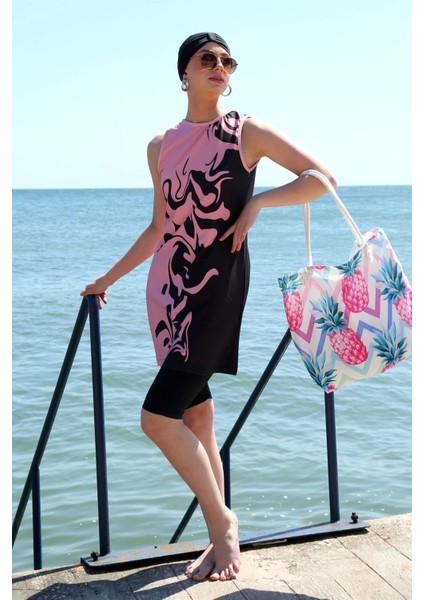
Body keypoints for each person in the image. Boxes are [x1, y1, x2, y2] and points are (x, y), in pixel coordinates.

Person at [81, 31, 336, 582]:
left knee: (157, 418)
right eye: (208, 59)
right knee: (195, 417)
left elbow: (321, 179)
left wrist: (259, 202)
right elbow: (159, 226)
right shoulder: (161, 145)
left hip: (218, 287)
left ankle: (223, 525)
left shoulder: (247, 131)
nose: (220, 66)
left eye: (227, 61)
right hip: (169, 293)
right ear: (185, 73)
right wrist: (107, 279)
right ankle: (219, 540)